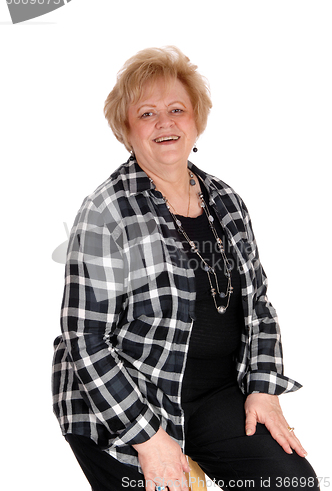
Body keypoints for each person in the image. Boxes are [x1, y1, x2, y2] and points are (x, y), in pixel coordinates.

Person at [52, 46, 319, 491]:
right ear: (126, 130)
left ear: (196, 118)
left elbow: (259, 304)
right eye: (147, 113)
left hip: (214, 394)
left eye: (177, 109)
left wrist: (263, 386)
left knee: (290, 482)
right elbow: (85, 340)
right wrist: (149, 438)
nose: (166, 123)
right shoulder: (107, 212)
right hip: (125, 402)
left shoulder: (227, 202)